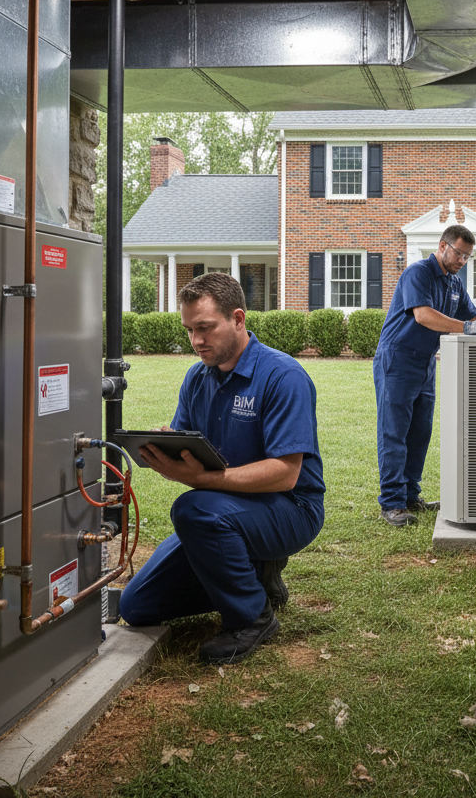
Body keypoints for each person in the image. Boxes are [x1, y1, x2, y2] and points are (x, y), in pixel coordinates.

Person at [119, 273, 325, 664]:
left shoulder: (283, 376)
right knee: (136, 606)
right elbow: (189, 449)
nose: (196, 341)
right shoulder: (197, 377)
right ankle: (255, 577)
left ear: (238, 319)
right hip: (226, 509)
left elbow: (286, 473)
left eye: (205, 328)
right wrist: (168, 452)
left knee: (191, 509)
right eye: (190, 330)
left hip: (291, 508)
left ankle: (252, 617)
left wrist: (201, 480)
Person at [374, 225, 476, 527]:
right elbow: (423, 315)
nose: (463, 260)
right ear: (443, 246)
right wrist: (466, 328)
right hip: (397, 359)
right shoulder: (418, 273)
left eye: (467, 256)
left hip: (425, 364)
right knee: (394, 432)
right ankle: (392, 503)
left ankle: (411, 495)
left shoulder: (454, 283)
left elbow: (472, 317)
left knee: (420, 432)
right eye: (459, 253)